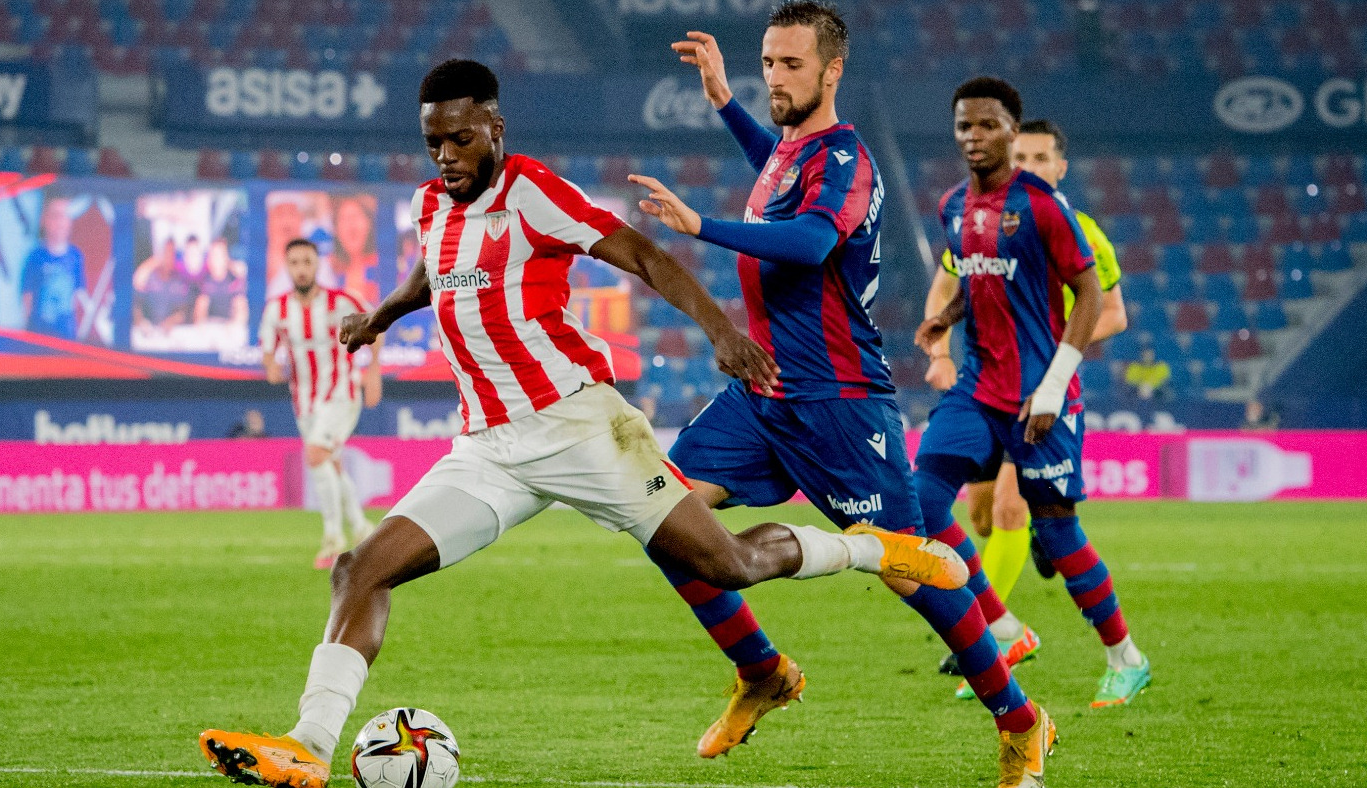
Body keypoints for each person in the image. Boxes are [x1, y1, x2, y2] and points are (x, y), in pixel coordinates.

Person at [199, 58, 969, 788]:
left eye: (460, 138)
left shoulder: (534, 192)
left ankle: (870, 548)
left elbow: (643, 256)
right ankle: (308, 747)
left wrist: (720, 332)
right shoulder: (430, 204)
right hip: (488, 449)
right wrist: (382, 316)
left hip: (581, 429)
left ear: (495, 127)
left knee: (727, 564)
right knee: (359, 568)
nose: (446, 156)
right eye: (433, 142)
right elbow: (435, 271)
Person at [627, 5, 1052, 784]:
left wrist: (701, 225)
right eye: (768, 64)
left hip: (839, 400)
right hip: (763, 390)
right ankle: (762, 671)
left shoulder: (847, 158)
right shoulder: (794, 152)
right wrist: (725, 102)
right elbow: (777, 172)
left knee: (911, 571)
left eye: (791, 65)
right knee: (664, 517)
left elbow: (813, 240)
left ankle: (1021, 720)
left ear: (832, 71)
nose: (776, 79)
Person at [915, 76, 1151, 714]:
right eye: (964, 125)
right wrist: (946, 321)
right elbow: (979, 280)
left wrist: (1050, 388)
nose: (974, 136)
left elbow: (1092, 296)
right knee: (922, 499)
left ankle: (1125, 658)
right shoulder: (953, 206)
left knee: (1058, 532)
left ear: (1011, 132)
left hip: (1041, 395)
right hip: (978, 389)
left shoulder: (1045, 207)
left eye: (987, 125)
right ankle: (1003, 627)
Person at [258, 238, 383, 569]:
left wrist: (373, 371)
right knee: (331, 463)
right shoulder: (276, 309)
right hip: (305, 402)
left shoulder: (341, 301)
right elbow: (268, 352)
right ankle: (362, 528)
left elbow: (377, 325)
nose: (301, 269)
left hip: (341, 392)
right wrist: (271, 368)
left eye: (307, 262)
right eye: (295, 263)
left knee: (315, 454)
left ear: (317, 265)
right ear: (287, 268)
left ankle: (333, 539)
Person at [21, 196, 85, 340]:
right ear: (45, 220)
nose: (60, 222)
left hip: (66, 336)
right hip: (39, 335)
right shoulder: (35, 257)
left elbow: (77, 295)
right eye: (56, 216)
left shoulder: (75, 256)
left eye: (64, 216)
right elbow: (27, 297)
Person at [133, 237, 192, 332]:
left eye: (172, 254)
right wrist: (141, 321)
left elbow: (183, 312)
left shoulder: (179, 281)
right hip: (147, 331)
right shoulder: (148, 278)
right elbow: (136, 305)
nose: (169, 258)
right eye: (166, 253)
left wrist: (172, 321)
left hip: (169, 333)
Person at [194, 239, 249, 328]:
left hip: (231, 328)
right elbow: (200, 311)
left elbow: (241, 309)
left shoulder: (234, 280)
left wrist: (234, 325)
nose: (215, 260)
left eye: (219, 255)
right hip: (210, 328)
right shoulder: (204, 281)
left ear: (226, 257)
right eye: (213, 255)